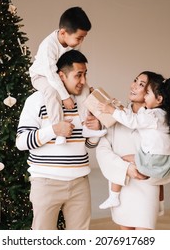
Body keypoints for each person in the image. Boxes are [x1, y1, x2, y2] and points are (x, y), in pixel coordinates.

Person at [16, 50, 102, 230]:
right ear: (61, 76)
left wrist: (95, 130)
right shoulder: (36, 100)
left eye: (85, 74)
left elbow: (88, 144)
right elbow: (21, 142)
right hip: (46, 183)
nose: (83, 81)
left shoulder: (85, 101)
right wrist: (53, 130)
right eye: (78, 75)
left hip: (80, 182)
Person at [96, 71, 170, 230]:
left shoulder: (151, 117)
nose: (134, 86)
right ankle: (114, 196)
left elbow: (169, 155)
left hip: (147, 185)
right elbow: (103, 148)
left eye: (143, 86)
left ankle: (115, 195)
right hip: (123, 186)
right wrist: (126, 169)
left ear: (158, 97)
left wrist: (147, 170)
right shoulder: (121, 116)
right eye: (135, 80)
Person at [29, 6, 106, 145]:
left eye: (83, 38)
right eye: (79, 38)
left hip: (59, 74)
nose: (81, 42)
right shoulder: (49, 46)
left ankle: (85, 125)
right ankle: (59, 129)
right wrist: (65, 97)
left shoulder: (73, 43)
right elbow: (51, 75)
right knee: (51, 92)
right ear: (63, 32)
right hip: (42, 76)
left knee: (84, 88)